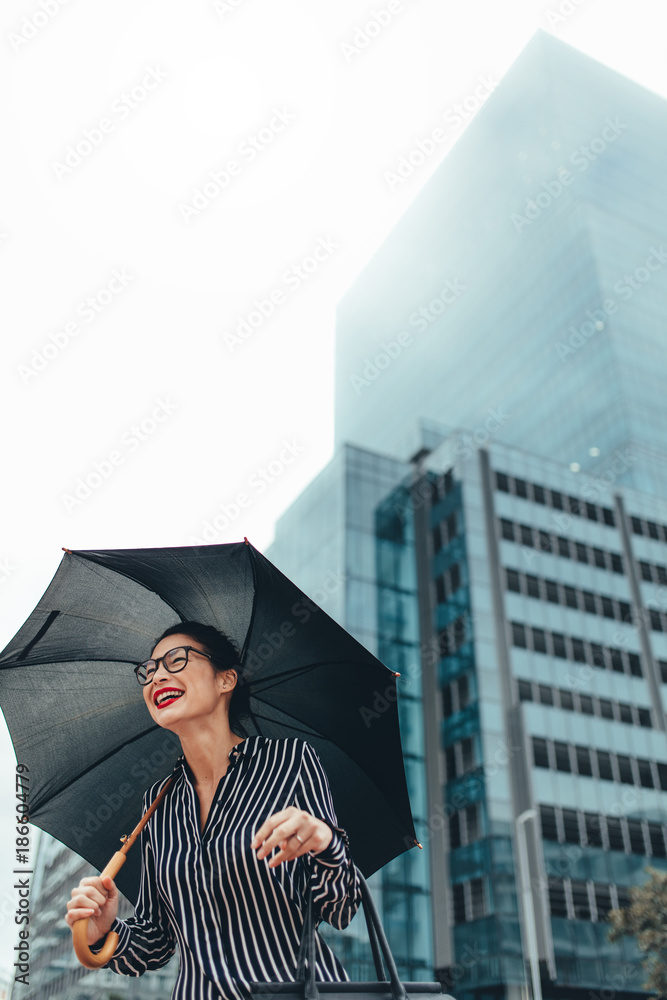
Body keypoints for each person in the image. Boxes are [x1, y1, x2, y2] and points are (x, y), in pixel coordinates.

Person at [65, 621, 362, 1000]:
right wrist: (104, 934)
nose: (156, 677)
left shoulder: (291, 762)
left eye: (176, 660)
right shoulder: (158, 802)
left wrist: (324, 842)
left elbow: (341, 908)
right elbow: (157, 940)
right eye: (150, 669)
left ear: (226, 680)